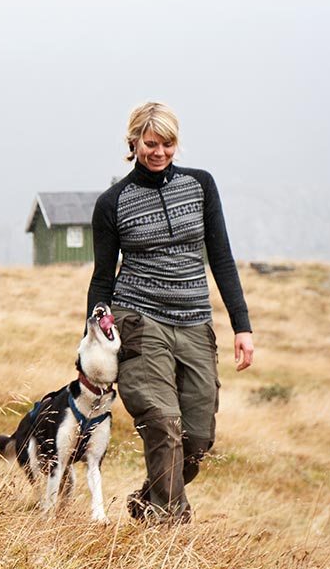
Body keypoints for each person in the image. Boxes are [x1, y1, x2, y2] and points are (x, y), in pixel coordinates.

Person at [87, 102, 254, 524]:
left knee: (196, 439)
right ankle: (169, 531)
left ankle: (148, 501)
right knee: (162, 422)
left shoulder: (200, 186)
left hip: (195, 323)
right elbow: (102, 278)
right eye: (150, 143)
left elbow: (221, 257)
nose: (159, 151)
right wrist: (94, 340)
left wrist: (242, 326)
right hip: (139, 320)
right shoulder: (113, 202)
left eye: (168, 143)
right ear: (133, 142)